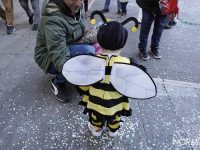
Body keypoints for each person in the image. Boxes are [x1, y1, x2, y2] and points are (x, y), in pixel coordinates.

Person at [34, 0, 95, 102]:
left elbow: (81, 29)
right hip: (49, 58)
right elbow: (59, 56)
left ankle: (76, 67)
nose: (80, 1)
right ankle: (58, 81)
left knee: (96, 45)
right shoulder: (53, 20)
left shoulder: (76, 6)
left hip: (68, 45)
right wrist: (81, 73)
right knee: (88, 50)